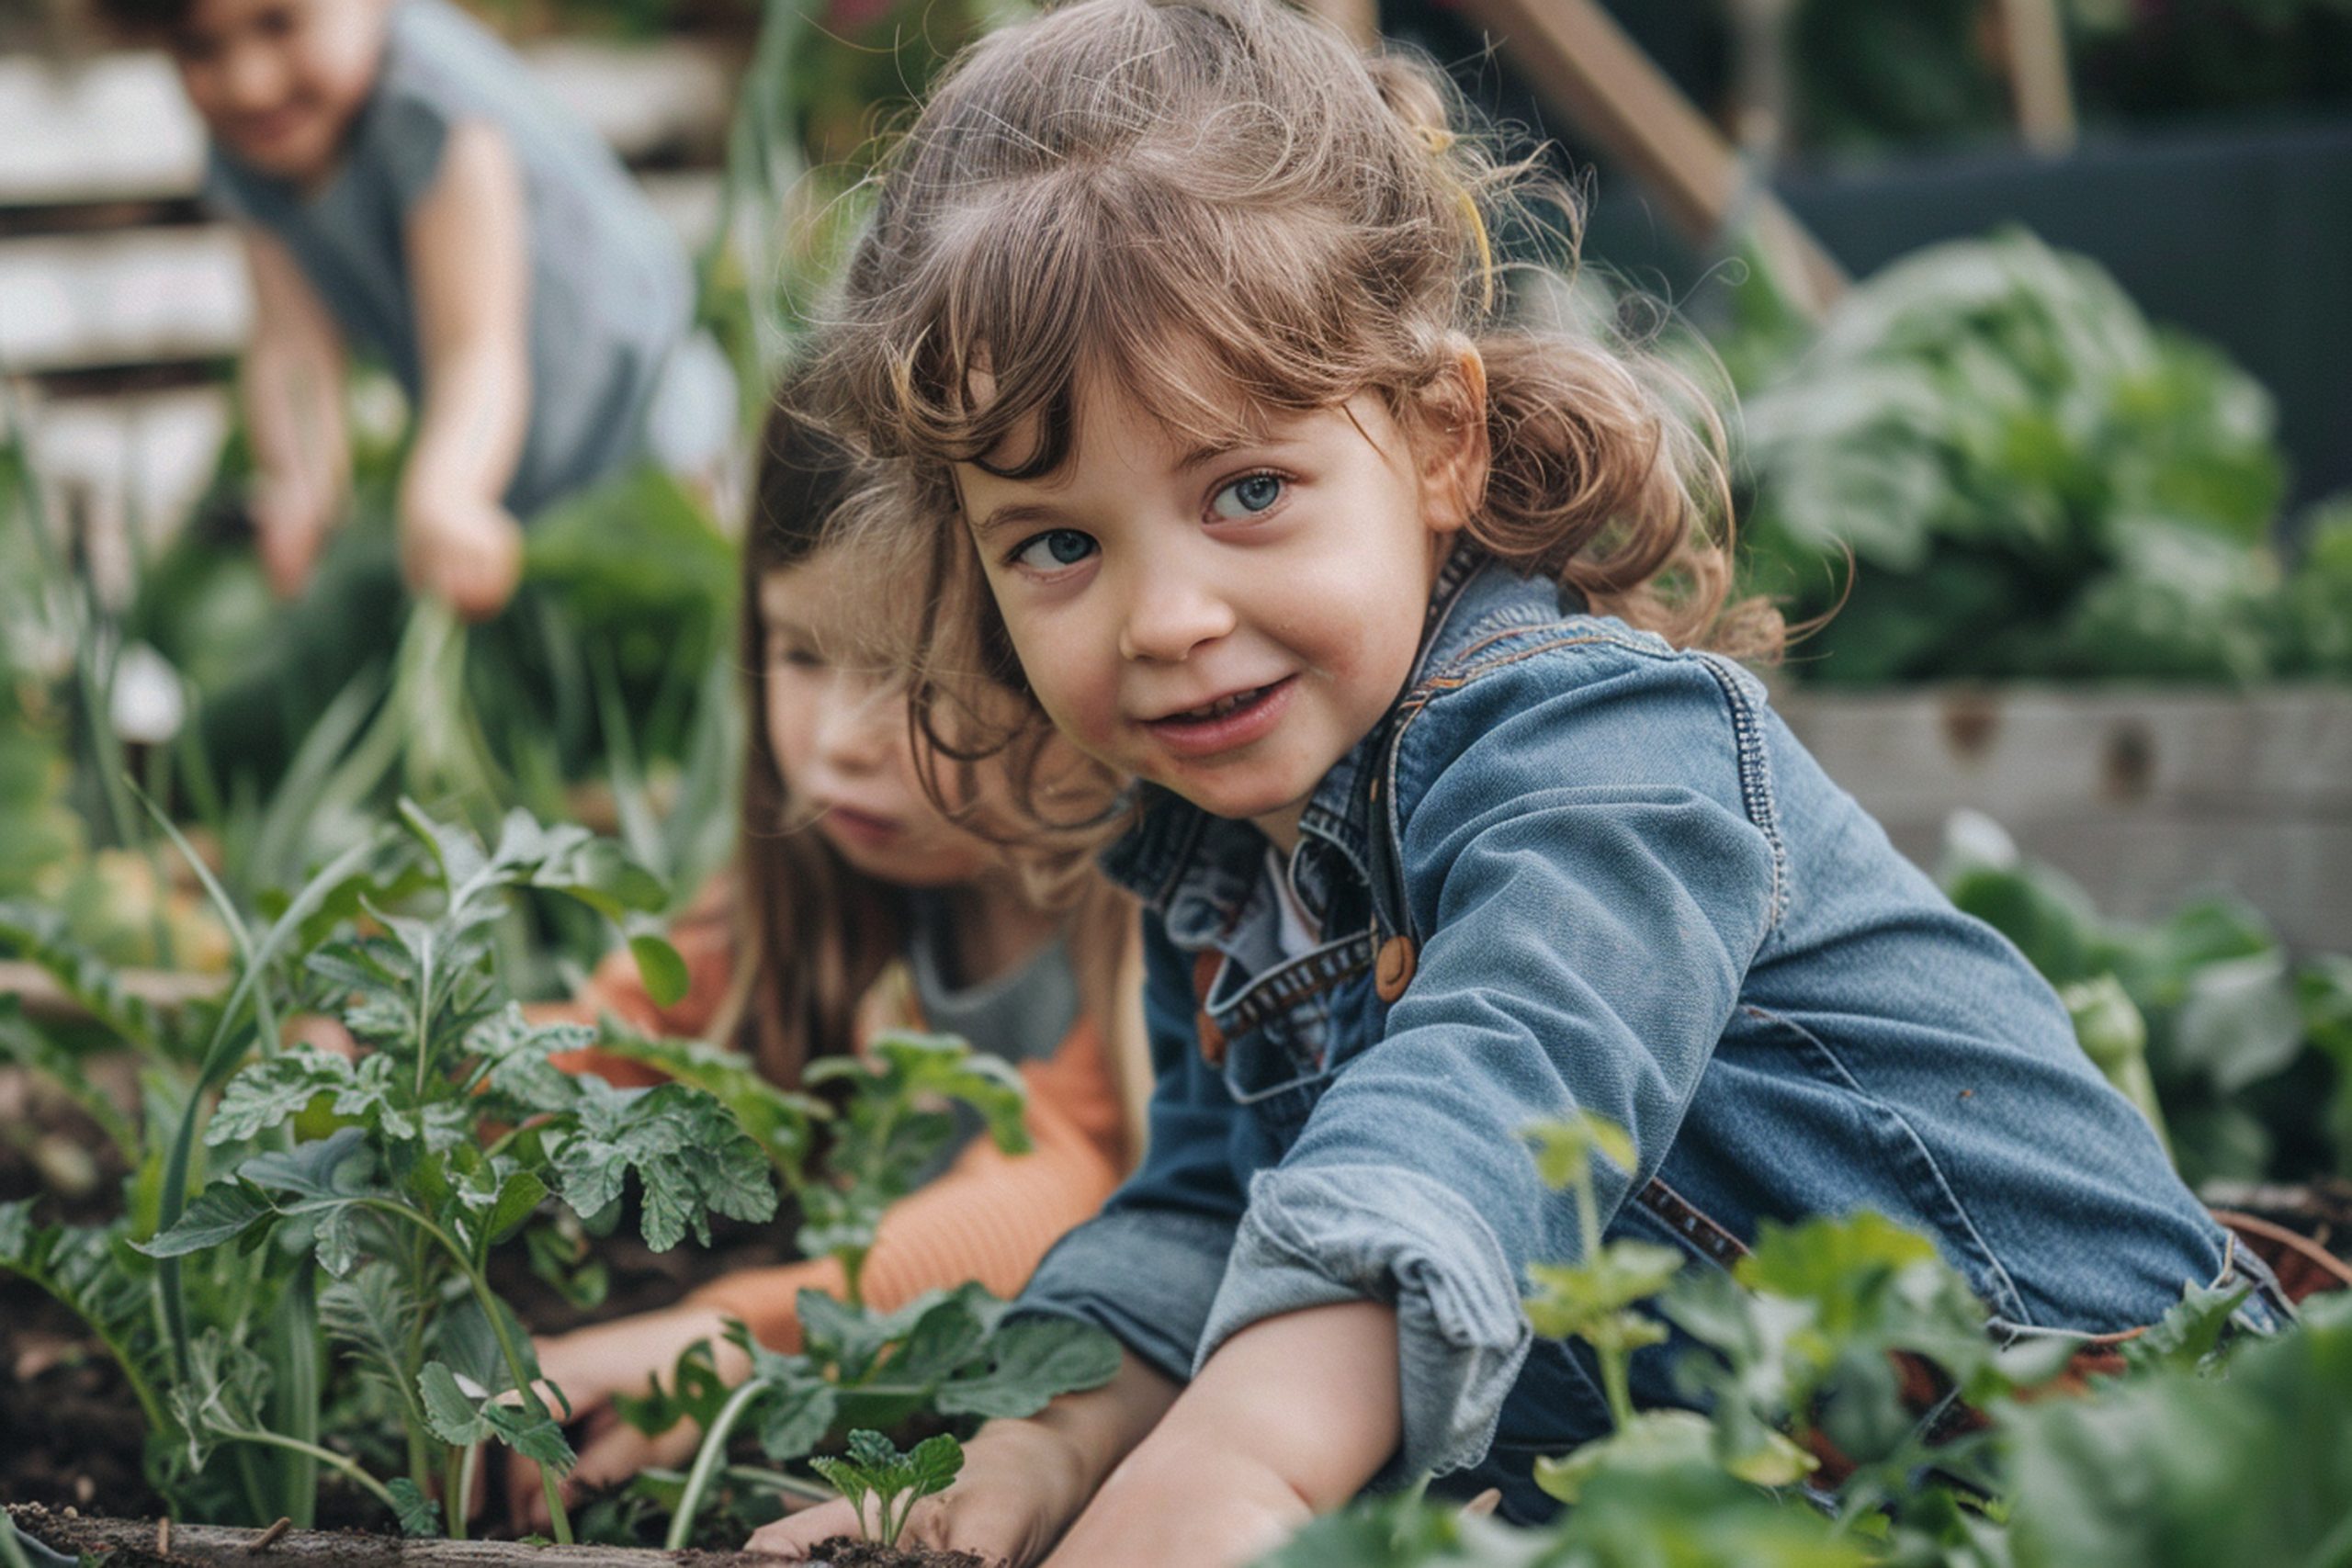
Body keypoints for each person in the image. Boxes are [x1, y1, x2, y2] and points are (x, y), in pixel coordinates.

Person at [750, 1, 2285, 1562]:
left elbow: (1495, 1089)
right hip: (1781, 1493)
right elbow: (1208, 1208)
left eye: (1249, 490)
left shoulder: (1597, 747)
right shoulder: (1220, 858)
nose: (1166, 619)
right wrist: (1039, 1452)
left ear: (1438, 442)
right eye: (1059, 542)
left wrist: (1241, 1464)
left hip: (2124, 1446)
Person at [501, 393, 1147, 1528]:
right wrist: (422, 1079)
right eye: (800, 653)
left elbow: (1068, 1182)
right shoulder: (823, 890)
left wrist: (739, 1336)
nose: (840, 739)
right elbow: (608, 1051)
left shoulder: (1153, 916)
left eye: (919, 678)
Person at [96, 0, 701, 617]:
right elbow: (290, 342)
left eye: (279, 23)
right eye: (199, 48)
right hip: (514, 484)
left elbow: (476, 347)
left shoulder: (428, 106)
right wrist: (300, 488)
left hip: (649, 441)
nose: (249, 83)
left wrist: (447, 492)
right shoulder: (254, 149)